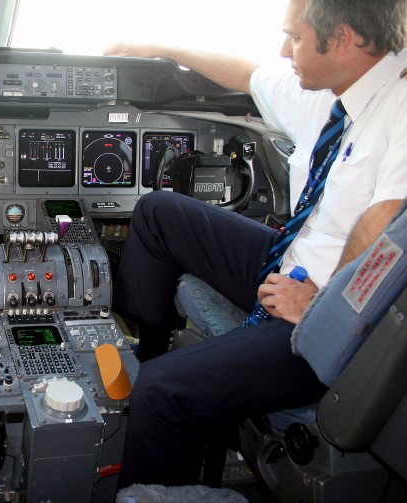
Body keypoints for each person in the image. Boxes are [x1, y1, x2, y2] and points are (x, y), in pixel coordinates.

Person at [105, 0, 407, 489]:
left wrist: (321, 308)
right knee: (159, 211)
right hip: (293, 266)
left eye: (296, 37)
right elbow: (250, 75)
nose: (284, 50)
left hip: (336, 327)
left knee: (162, 393)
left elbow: (389, 227)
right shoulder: (337, 91)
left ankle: (158, 469)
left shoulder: (400, 103)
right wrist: (153, 47)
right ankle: (149, 350)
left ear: (346, 38)